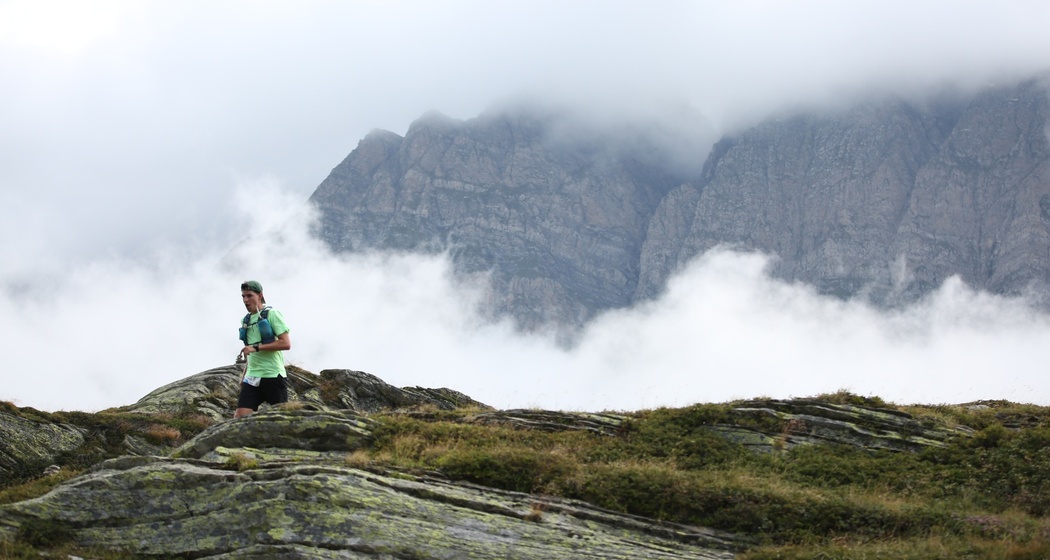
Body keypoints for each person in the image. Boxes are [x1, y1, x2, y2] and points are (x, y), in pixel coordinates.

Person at [235, 280, 292, 418]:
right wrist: (244, 375)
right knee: (239, 418)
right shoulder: (245, 320)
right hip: (252, 377)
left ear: (260, 296)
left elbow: (286, 344)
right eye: (243, 296)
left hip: (273, 375)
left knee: (280, 420)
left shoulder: (272, 314)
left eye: (249, 296)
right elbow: (249, 349)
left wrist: (256, 348)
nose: (245, 300)